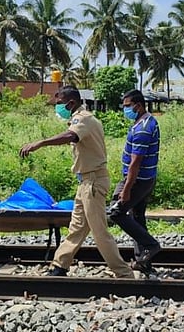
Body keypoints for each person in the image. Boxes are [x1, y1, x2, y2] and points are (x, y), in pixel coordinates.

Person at [19, 85, 134, 278]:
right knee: (77, 226)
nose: (58, 108)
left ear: (71, 103)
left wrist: (40, 143)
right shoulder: (80, 119)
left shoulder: (84, 119)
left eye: (60, 104)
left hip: (93, 182)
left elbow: (70, 136)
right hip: (86, 182)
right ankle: (60, 265)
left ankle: (124, 274)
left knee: (99, 232)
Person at [110, 89, 162, 274]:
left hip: (137, 180)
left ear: (138, 106)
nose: (125, 110)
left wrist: (126, 189)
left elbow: (135, 163)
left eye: (127, 106)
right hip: (145, 179)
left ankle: (151, 245)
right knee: (138, 217)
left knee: (116, 212)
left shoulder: (142, 129)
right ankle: (143, 261)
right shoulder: (146, 121)